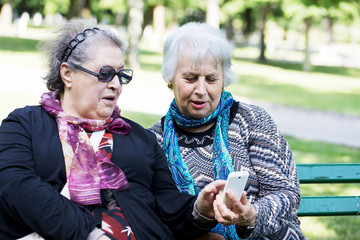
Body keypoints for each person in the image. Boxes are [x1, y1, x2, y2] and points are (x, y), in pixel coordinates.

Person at [0, 19, 225, 240]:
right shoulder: (24, 125)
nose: (116, 85)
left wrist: (201, 209)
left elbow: (168, 205)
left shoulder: (140, 137)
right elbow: (17, 188)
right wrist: (91, 235)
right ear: (67, 74)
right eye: (105, 73)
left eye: (121, 75)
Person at [149, 22, 306, 240]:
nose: (201, 90)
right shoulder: (153, 141)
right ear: (170, 78)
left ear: (223, 80)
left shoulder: (252, 121)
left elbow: (286, 194)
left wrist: (252, 216)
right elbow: (155, 215)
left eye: (211, 79)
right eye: (190, 78)